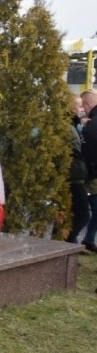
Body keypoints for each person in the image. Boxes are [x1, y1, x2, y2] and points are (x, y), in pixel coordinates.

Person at [66, 92, 89, 244]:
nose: (81, 109)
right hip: (72, 177)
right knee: (82, 215)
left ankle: (69, 244)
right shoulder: (68, 127)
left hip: (76, 175)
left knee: (75, 215)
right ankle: (68, 243)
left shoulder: (75, 124)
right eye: (79, 105)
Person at [78, 89, 97, 253]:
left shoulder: (91, 125)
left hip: (92, 174)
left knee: (88, 210)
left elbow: (89, 151)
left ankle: (88, 239)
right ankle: (89, 239)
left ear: (88, 104)